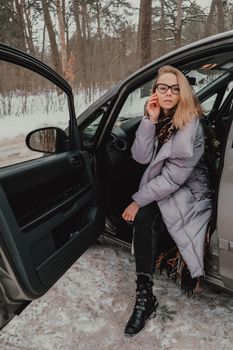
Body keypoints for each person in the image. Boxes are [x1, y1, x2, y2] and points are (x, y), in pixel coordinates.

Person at [122, 65, 212, 337]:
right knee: (146, 212)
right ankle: (146, 295)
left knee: (145, 216)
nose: (169, 93)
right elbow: (140, 157)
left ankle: (144, 297)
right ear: (155, 93)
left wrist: (137, 201)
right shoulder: (158, 117)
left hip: (188, 187)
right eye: (163, 88)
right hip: (163, 181)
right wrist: (149, 120)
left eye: (175, 88)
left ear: (182, 91)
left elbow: (174, 179)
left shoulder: (190, 124)